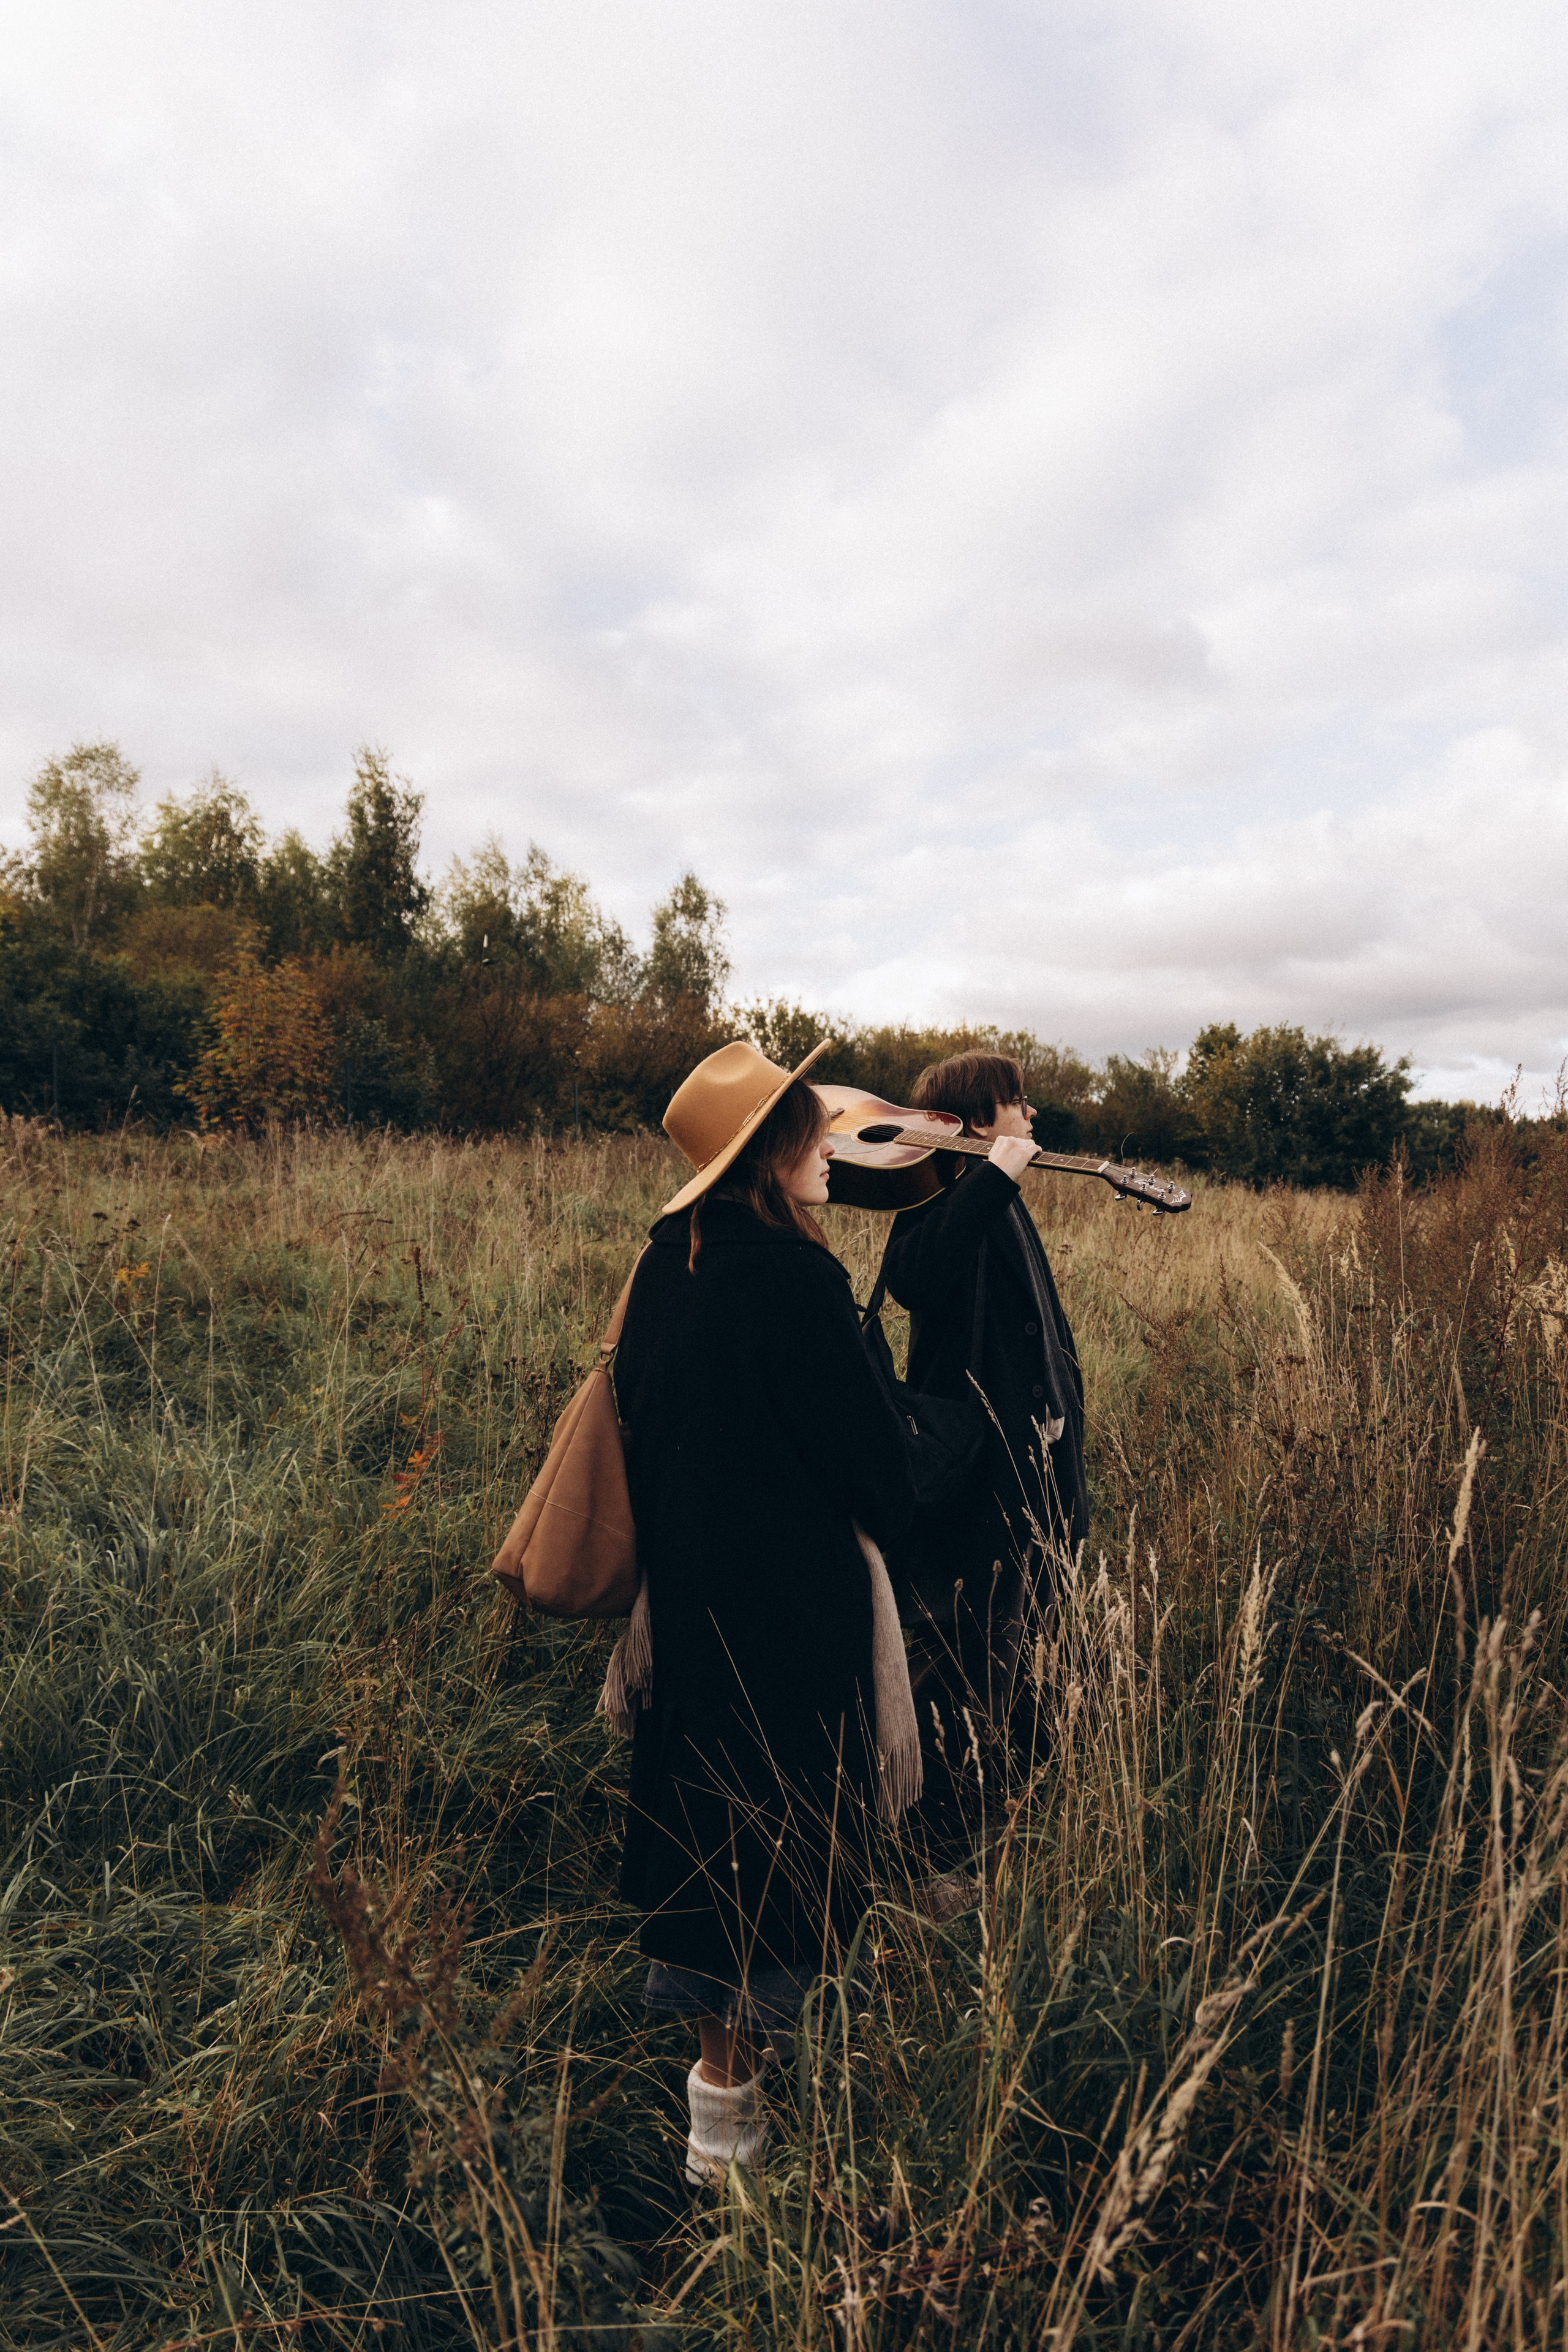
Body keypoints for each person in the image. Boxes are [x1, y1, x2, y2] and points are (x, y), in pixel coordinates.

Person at [609, 1039, 919, 2185]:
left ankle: (716, 2132)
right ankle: (746, 2145)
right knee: (786, 1857)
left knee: (707, 1845)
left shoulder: (662, 1263)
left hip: (684, 1607)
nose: (832, 1149)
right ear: (768, 1153)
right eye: (811, 1132)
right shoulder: (795, 1281)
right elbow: (870, 1464)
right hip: (793, 1615)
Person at [881, 1049, 1088, 1887]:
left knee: (1028, 1665)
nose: (1032, 1119)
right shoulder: (944, 1197)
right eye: (1018, 1105)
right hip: (976, 1492)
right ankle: (933, 1867)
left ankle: (1016, 1838)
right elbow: (913, 1279)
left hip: (1032, 1483)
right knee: (963, 1672)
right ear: (974, 1124)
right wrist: (991, 1181)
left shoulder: (996, 1203)